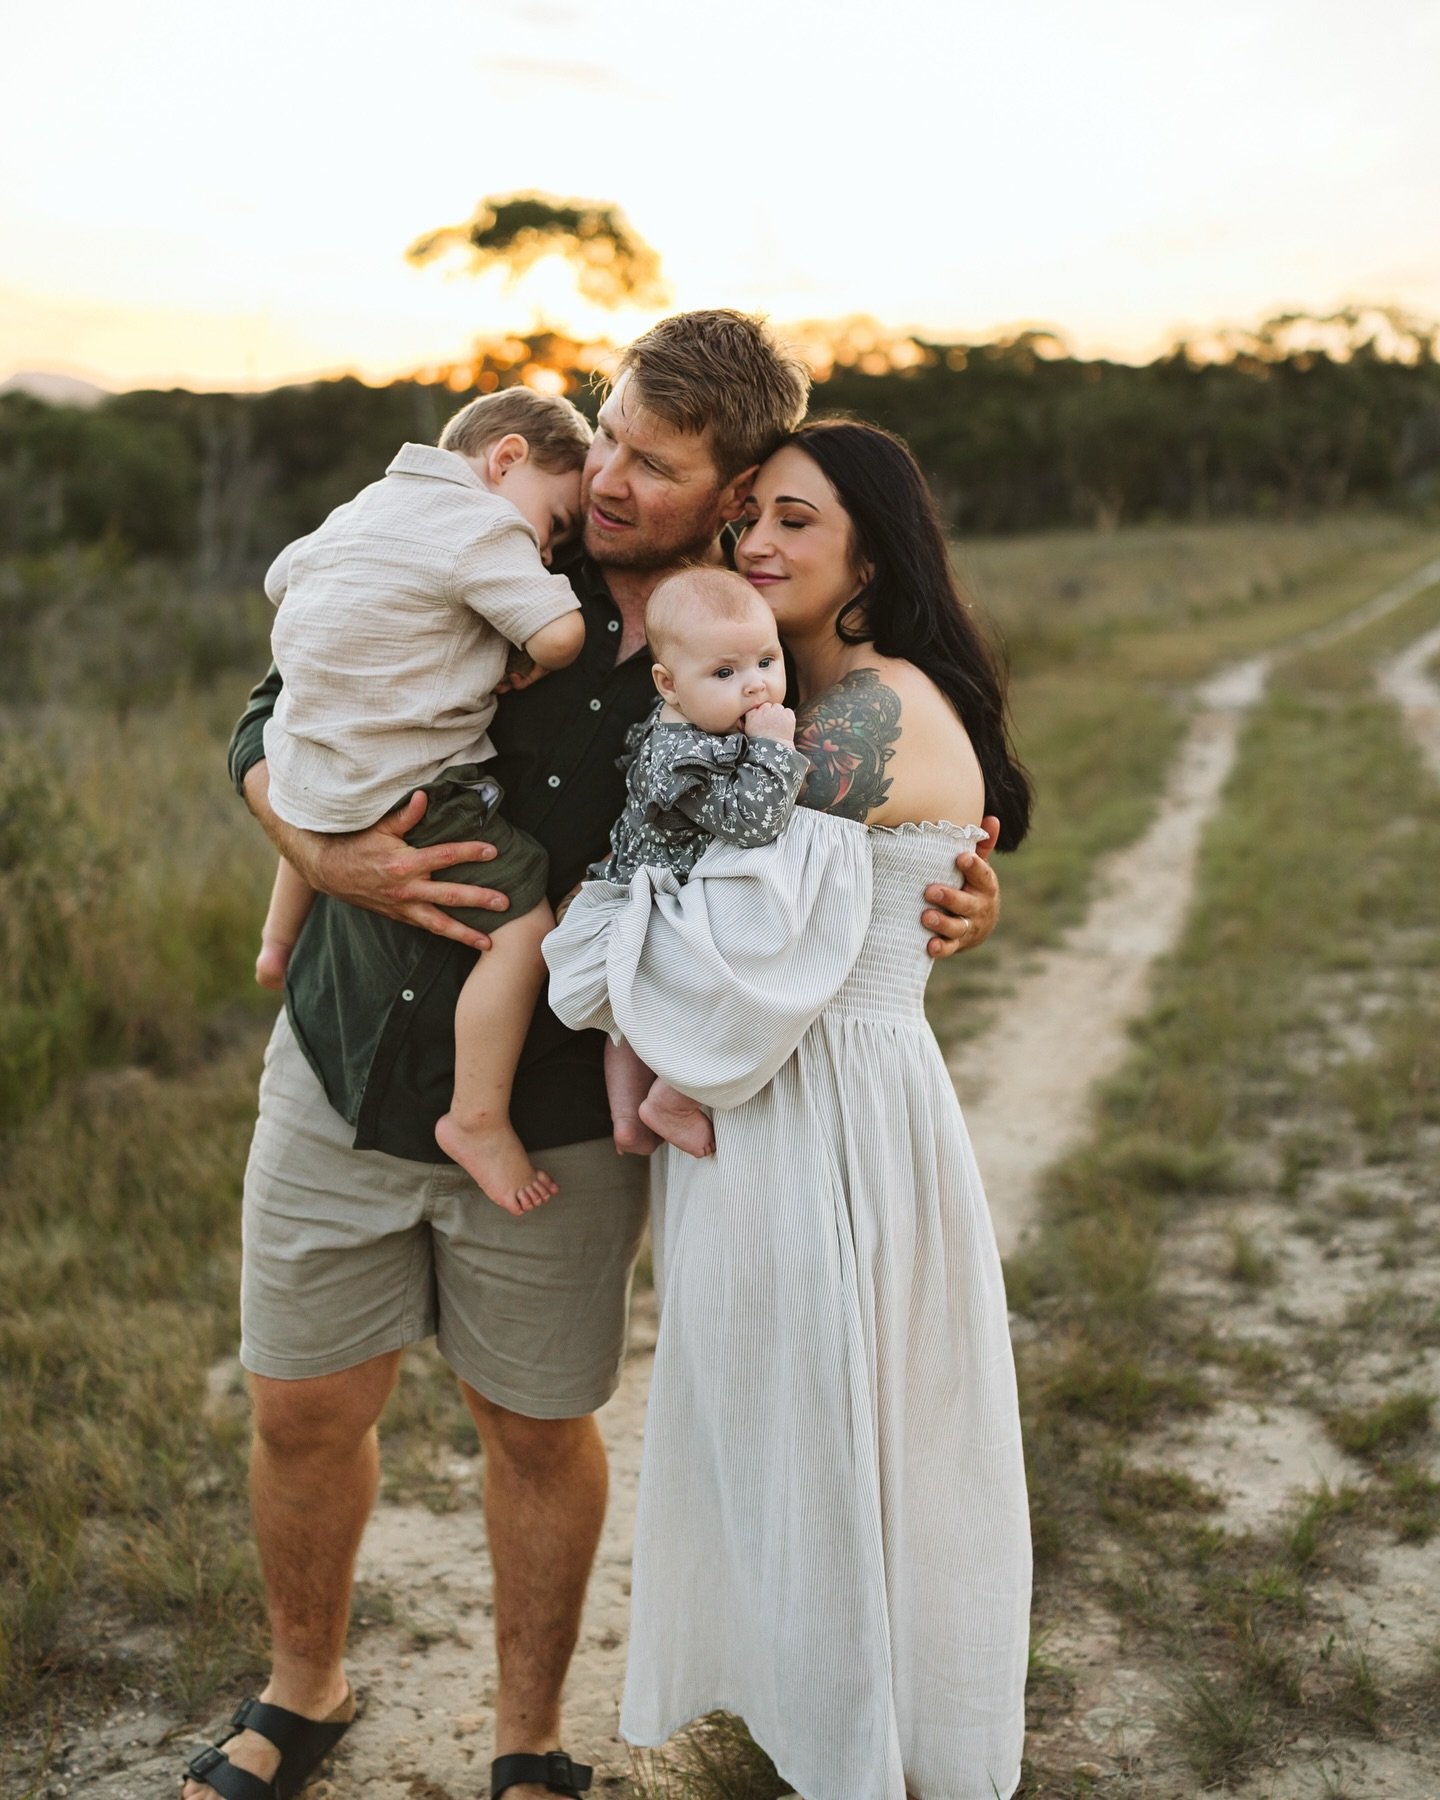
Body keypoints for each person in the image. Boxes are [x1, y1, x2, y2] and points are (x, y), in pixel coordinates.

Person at [186, 314, 1003, 1800]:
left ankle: (528, 1734)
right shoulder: (510, 539)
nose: (611, 474)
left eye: (654, 460)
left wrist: (957, 885)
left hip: (563, 1107)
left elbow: (882, 815)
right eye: (608, 435)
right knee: (302, 1404)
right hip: (348, 1045)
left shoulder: (744, 657)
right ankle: (304, 1684)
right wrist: (321, 850)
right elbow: (272, 702)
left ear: (733, 483)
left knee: (537, 1424)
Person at [545, 419, 1033, 1800]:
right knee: (825, 1437)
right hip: (798, 1100)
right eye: (747, 515)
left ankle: (854, 1751)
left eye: (795, 522)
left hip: (815, 1115)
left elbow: (730, 955)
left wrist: (593, 949)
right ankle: (837, 1730)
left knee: (826, 1437)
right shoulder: (814, 707)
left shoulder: (863, 713)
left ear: (873, 549)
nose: (754, 544)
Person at [256, 387, 591, 1211]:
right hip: (408, 782)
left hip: (308, 762)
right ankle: (476, 1117)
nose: (547, 551)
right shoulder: (483, 525)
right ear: (505, 459)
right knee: (522, 929)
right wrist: (537, 637)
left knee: (317, 793)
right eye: (554, 523)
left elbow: (276, 580)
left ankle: (275, 944)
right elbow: (559, 635)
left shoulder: (363, 508)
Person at [588, 565, 810, 1159]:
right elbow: (754, 820)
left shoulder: (687, 722)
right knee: (703, 996)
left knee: (629, 1012)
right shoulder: (685, 755)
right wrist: (774, 749)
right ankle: (672, 1097)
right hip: (670, 905)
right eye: (724, 673)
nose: (756, 686)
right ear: (669, 683)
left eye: (767, 661)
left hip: (648, 889)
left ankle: (630, 1118)